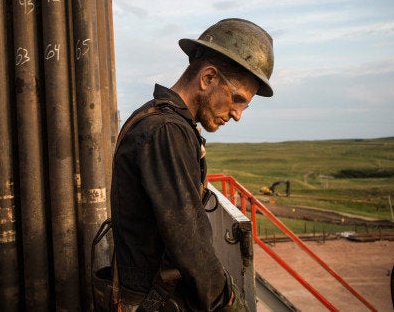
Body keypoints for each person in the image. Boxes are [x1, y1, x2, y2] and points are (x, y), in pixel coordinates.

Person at [109, 18, 274, 311]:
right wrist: (229, 303)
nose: (237, 114)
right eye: (237, 99)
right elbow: (189, 244)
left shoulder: (161, 121)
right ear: (208, 78)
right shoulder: (165, 132)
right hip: (153, 301)